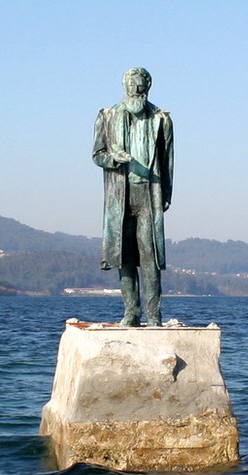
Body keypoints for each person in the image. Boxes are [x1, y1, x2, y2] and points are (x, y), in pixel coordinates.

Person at [92, 67, 174, 327]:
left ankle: (153, 314)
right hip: (120, 194)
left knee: (150, 256)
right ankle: (132, 312)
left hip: (149, 193)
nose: (136, 91)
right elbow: (97, 154)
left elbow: (167, 160)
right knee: (123, 256)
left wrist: (167, 194)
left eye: (140, 87)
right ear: (124, 86)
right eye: (132, 86)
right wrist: (112, 159)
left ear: (147, 87)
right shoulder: (107, 116)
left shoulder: (161, 119)